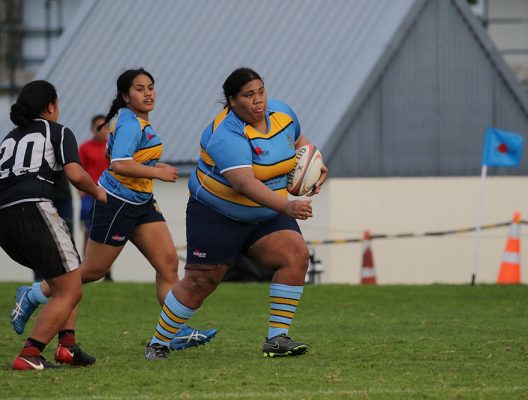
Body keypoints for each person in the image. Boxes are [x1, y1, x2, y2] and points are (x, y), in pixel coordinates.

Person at [10, 68, 216, 351]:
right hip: (117, 203)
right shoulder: (130, 123)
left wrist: (150, 172)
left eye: (151, 87)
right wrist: (157, 173)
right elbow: (118, 163)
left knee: (168, 264)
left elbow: (127, 160)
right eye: (139, 89)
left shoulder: (140, 123)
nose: (148, 93)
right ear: (125, 96)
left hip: (142, 203)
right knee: (93, 271)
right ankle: (33, 294)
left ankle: (174, 330)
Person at [144, 67, 328, 360]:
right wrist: (287, 206)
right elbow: (246, 184)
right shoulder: (225, 135)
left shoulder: (282, 114)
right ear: (232, 100)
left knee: (295, 255)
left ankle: (277, 339)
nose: (258, 101)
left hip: (265, 214)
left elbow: (299, 143)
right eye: (248, 95)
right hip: (217, 214)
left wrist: (315, 166)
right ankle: (158, 342)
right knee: (200, 283)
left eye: (261, 92)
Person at [1, 80, 107, 370]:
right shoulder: (57, 131)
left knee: (68, 278)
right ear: (51, 106)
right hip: (35, 210)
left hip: (5, 217)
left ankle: (67, 348)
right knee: (71, 290)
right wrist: (98, 191)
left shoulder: (9, 138)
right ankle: (29, 354)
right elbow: (74, 173)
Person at [79, 114, 113, 281]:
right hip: (90, 195)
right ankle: (85, 267)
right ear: (93, 129)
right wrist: (81, 193)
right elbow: (79, 171)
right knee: (88, 231)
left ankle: (108, 273)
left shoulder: (112, 148)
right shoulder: (85, 148)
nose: (103, 130)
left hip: (108, 195)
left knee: (109, 232)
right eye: (99, 127)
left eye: (105, 127)